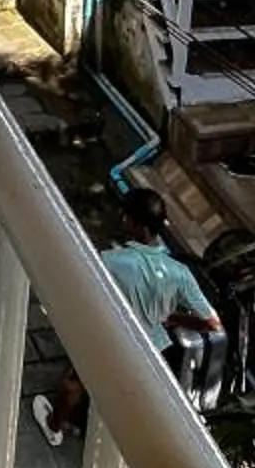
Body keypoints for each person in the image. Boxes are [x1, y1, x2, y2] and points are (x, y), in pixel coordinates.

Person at [28, 188, 220, 447]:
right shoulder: (179, 272)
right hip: (152, 350)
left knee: (74, 383)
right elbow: (211, 323)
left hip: (112, 339)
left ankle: (55, 427)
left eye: (125, 216)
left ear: (135, 224)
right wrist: (173, 318)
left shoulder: (113, 261)